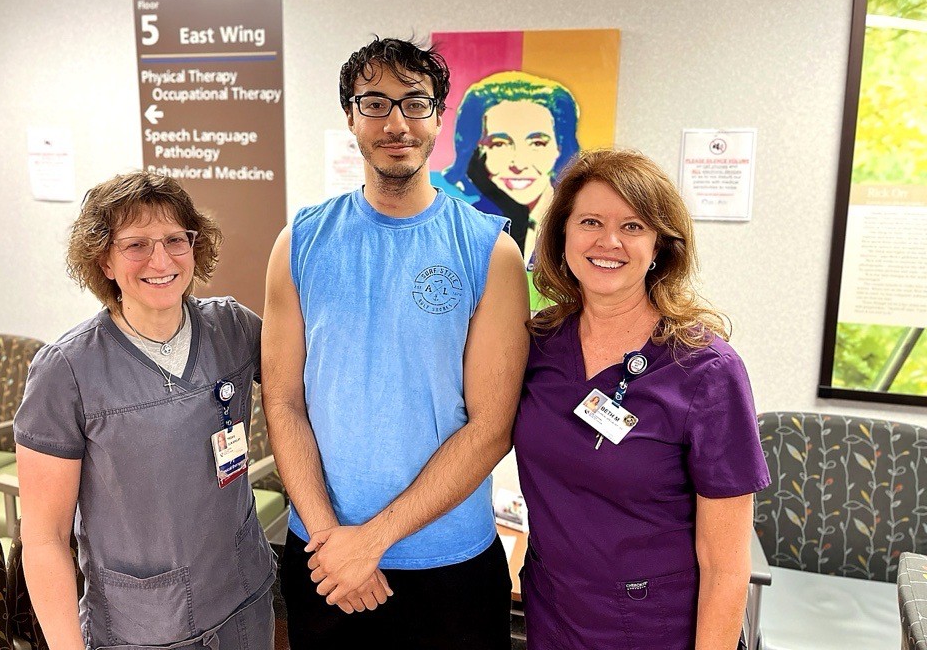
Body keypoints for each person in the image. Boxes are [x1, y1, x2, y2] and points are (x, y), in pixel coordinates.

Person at [262, 37, 529, 650]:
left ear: (439, 116)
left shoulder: (491, 250)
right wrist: (334, 542)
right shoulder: (299, 243)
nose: (396, 122)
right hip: (325, 563)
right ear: (351, 118)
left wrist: (373, 540)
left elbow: (492, 425)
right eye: (375, 103)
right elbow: (283, 402)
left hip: (449, 565)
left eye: (415, 102)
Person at [513, 148, 769, 650]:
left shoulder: (707, 371)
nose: (609, 241)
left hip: (658, 629)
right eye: (590, 221)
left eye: (633, 226)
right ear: (561, 234)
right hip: (552, 615)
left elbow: (726, 563)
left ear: (659, 247)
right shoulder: (539, 344)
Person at [14, 171, 275, 650]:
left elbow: (304, 390)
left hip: (244, 600)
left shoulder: (233, 328)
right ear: (105, 261)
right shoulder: (66, 370)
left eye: (176, 239)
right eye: (136, 244)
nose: (161, 260)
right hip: (142, 627)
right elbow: (45, 540)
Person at [443, 71, 580, 264]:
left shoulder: (580, 226)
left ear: (560, 147)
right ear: (475, 150)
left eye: (537, 143)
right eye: (500, 144)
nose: (519, 163)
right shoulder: (459, 228)